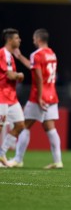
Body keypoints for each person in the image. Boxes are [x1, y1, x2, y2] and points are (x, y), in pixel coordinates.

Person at [8, 28, 63, 169]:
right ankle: (58, 161)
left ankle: (18, 159)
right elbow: (35, 68)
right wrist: (19, 57)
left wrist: (39, 97)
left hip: (39, 96)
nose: (33, 40)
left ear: (38, 39)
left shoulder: (36, 54)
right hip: (52, 95)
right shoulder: (52, 53)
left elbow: (38, 76)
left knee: (24, 126)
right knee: (50, 128)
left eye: (33, 38)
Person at [0, 28, 25, 167]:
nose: (19, 40)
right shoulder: (4, 53)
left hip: (11, 97)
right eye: (17, 38)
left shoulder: (10, 55)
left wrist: (16, 76)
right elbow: (10, 75)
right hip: (1, 96)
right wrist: (19, 74)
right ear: (9, 40)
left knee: (20, 124)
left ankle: (1, 154)